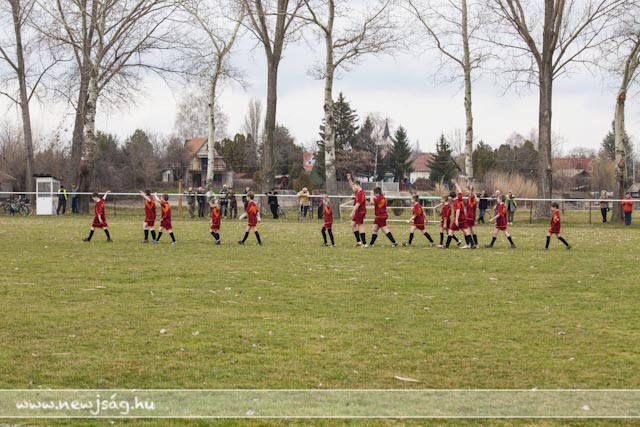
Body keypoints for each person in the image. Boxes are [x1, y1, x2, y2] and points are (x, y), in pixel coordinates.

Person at [347, 173, 367, 247]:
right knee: (353, 225)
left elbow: (358, 204)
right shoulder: (358, 191)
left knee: (360, 226)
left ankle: (364, 243)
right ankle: (359, 242)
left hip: (360, 211)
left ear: (358, 185)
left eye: (355, 186)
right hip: (358, 211)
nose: (353, 187)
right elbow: (351, 185)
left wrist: (352, 212)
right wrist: (349, 179)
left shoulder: (360, 193)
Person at [466, 184, 479, 248]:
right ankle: (476, 244)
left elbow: (472, 196)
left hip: (469, 216)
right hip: (472, 215)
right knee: (472, 229)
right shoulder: (472, 197)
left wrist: (471, 190)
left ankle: (470, 244)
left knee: (465, 229)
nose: (466, 191)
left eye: (467, 190)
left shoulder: (472, 197)